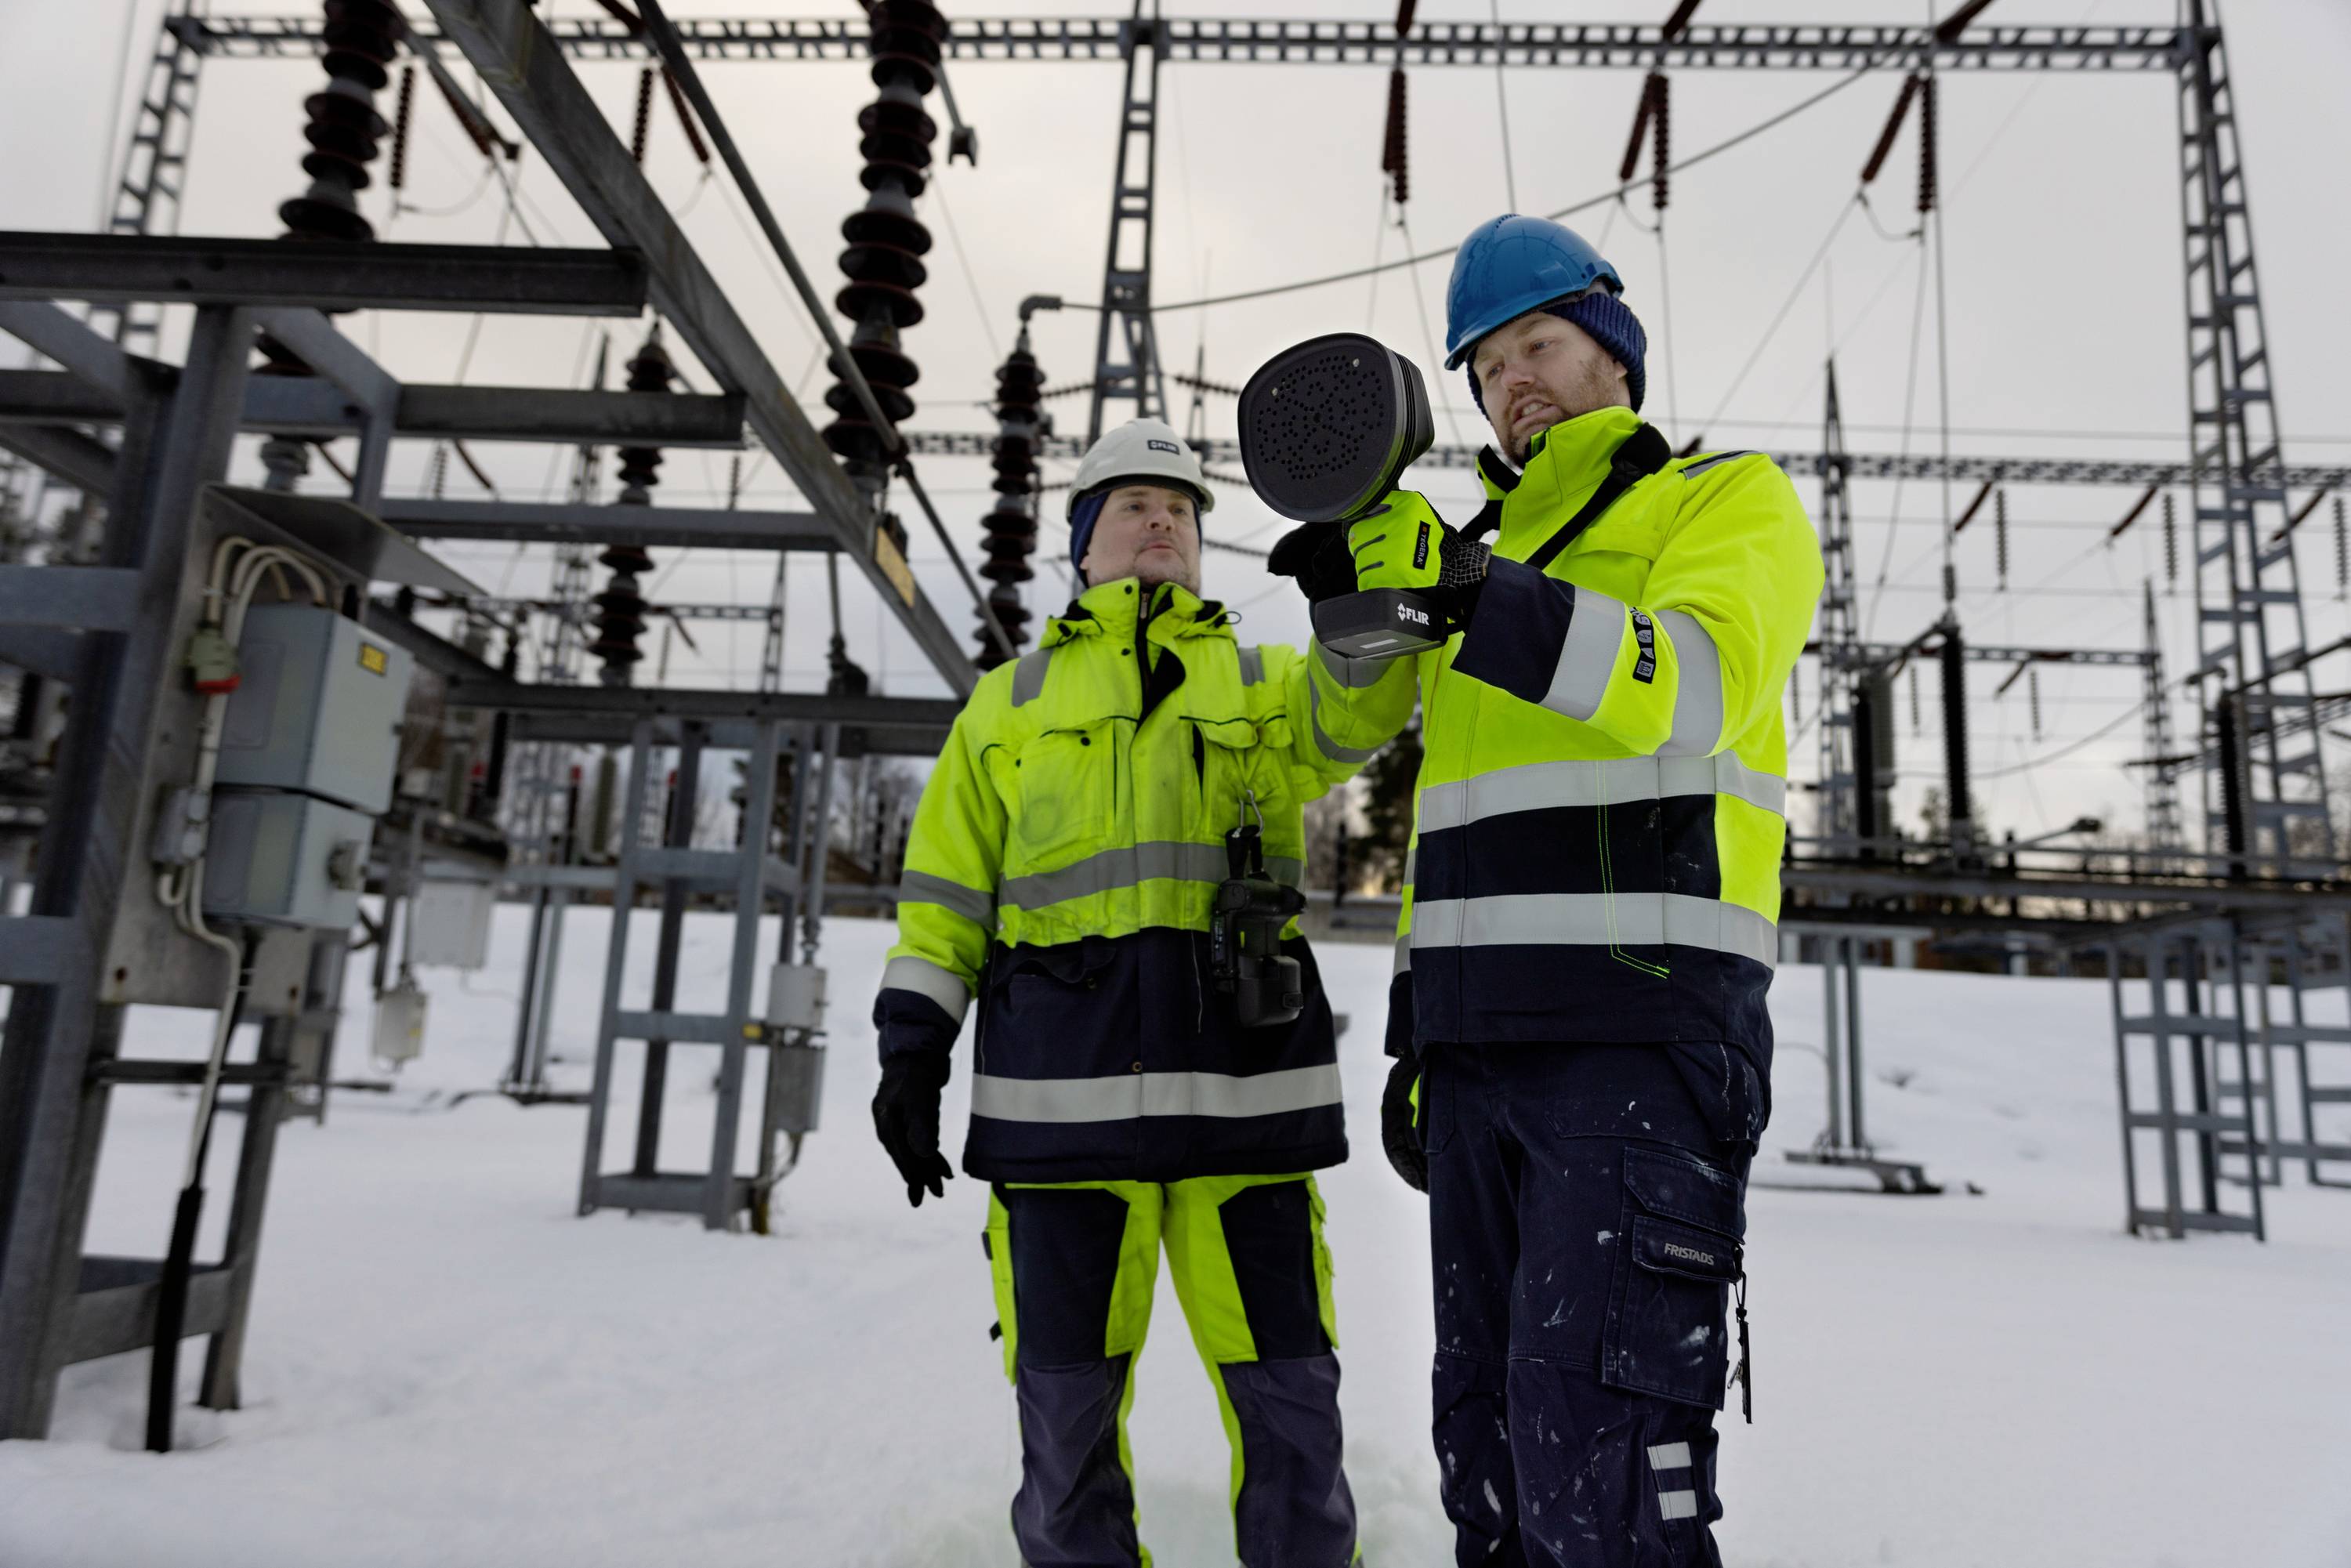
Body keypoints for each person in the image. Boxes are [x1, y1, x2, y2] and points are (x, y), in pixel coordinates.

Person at [1270, 215, 1824, 1566]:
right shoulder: (1471, 564)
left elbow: (1688, 686)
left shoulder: (1718, 502)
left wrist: (1473, 590)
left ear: (1613, 349)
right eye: (1486, 363)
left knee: (1606, 1472)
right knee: (1494, 1464)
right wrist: (1357, 594)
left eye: (1540, 343)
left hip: (1639, 1045)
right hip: (1476, 1063)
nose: (1514, 379)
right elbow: (1360, 748)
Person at [871, 418, 1414, 1567]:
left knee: (1293, 1417)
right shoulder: (1005, 706)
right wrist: (911, 1048)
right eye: (1131, 503)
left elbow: (1363, 707)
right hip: (1062, 1122)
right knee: (1065, 1428)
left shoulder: (1270, 683)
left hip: (1245, 1114)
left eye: (1181, 507)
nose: (1162, 518)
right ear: (1084, 541)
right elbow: (943, 900)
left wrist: (1356, 592)